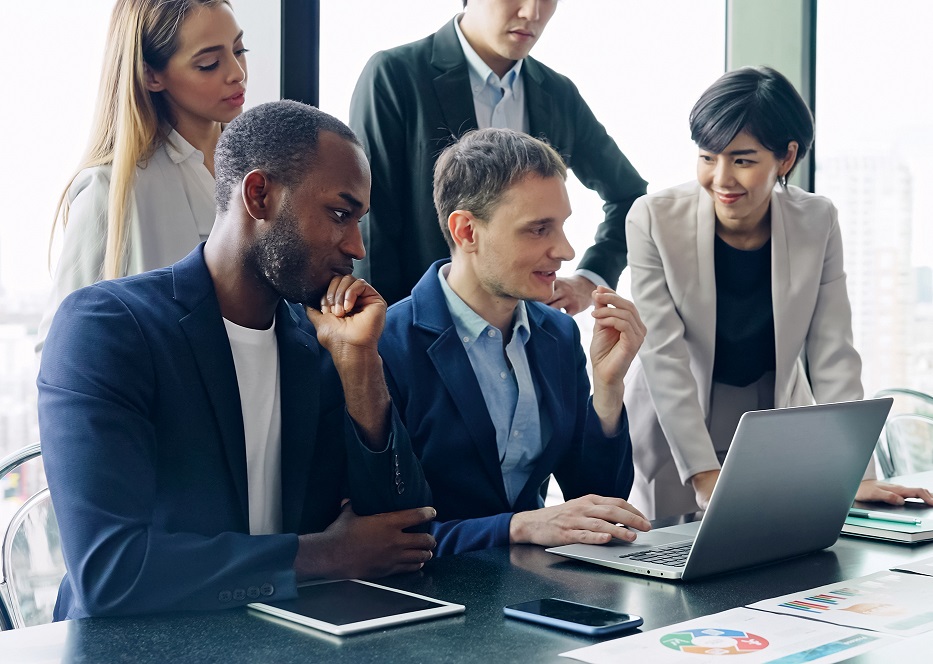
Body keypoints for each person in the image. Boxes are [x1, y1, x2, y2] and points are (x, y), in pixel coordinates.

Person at [37, 100, 436, 620]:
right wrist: (325, 554)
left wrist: (361, 367)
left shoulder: (321, 345)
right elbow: (111, 573)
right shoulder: (109, 329)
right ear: (258, 194)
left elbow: (404, 539)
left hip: (291, 644)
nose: (357, 246)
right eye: (340, 214)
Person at [623, 66, 933, 520]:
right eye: (708, 157)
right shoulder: (652, 218)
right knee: (671, 564)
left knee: (770, 556)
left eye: (743, 160)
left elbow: (832, 354)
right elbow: (664, 355)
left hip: (766, 418)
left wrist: (858, 475)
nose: (722, 178)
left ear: (786, 159)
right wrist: (705, 473)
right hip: (674, 420)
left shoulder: (817, 220)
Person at [379, 128, 651, 556]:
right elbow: (386, 538)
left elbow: (601, 508)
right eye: (539, 229)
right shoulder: (387, 346)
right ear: (467, 231)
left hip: (533, 589)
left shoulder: (558, 335)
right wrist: (517, 527)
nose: (564, 250)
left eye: (561, 226)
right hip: (428, 598)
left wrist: (609, 389)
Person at [349, 0, 646, 310]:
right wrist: (384, 339)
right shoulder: (396, 75)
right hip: (420, 328)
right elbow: (372, 225)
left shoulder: (558, 94)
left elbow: (631, 199)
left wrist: (590, 279)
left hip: (526, 334)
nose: (532, 13)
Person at [37, 0, 249, 352]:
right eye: (209, 64)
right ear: (152, 75)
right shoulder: (108, 190)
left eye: (240, 50)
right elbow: (60, 352)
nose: (237, 72)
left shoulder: (261, 171)